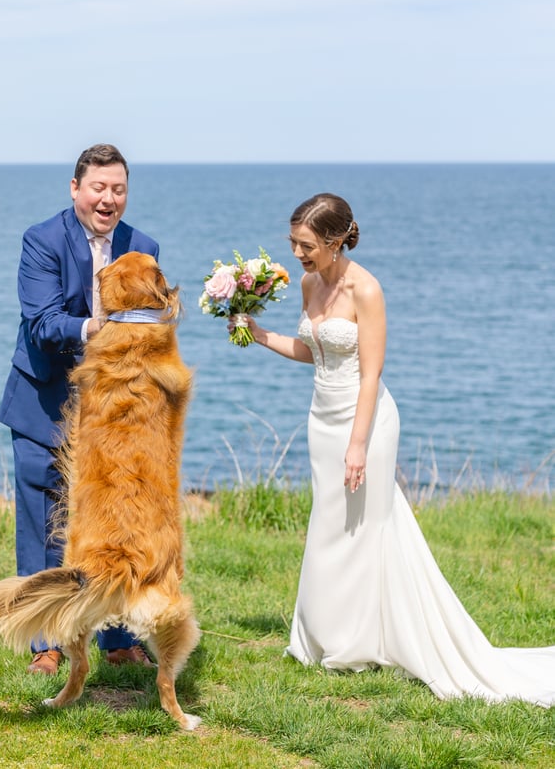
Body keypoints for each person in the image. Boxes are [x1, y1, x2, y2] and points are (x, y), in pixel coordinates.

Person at [228, 192, 555, 705]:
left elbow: (371, 372)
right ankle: (328, 637)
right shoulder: (311, 284)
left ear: (335, 242)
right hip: (322, 419)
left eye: (306, 245)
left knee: (365, 527)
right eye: (293, 242)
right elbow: (313, 353)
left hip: (368, 423)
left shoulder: (368, 290)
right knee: (330, 525)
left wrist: (358, 445)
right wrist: (258, 332)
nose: (296, 254)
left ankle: (367, 639)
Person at [0, 143, 159, 675]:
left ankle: (117, 638)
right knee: (42, 523)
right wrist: (98, 327)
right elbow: (42, 323)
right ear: (75, 189)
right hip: (43, 403)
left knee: (115, 526)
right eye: (98, 187)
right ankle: (43, 641)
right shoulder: (41, 240)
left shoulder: (144, 246)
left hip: (115, 413)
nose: (108, 199)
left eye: (118, 189)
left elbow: (153, 328)